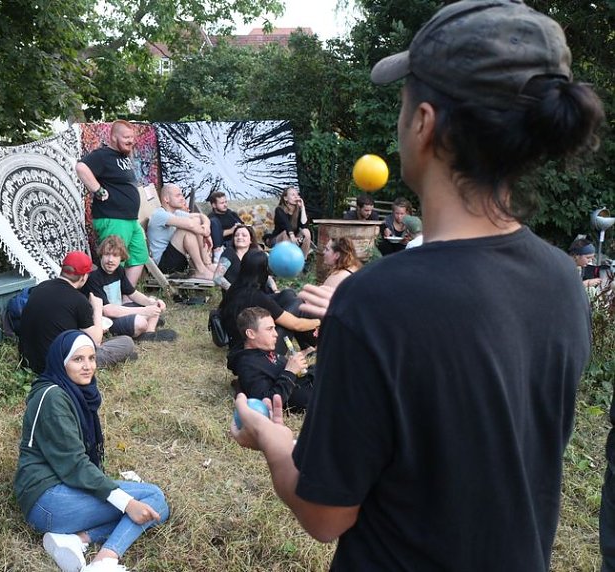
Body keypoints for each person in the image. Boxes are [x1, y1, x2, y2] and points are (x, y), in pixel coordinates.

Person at [231, 2, 604, 571]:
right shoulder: (563, 281)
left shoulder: (375, 299)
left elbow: (325, 515)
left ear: (425, 123)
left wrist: (270, 438)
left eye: (404, 102)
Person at [14, 330, 169, 572]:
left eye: (91, 358)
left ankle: (78, 539)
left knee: (152, 507)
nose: (88, 367)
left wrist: (122, 499)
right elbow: (75, 464)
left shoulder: (71, 391)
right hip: (47, 499)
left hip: (58, 494)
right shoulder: (52, 398)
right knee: (153, 500)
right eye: (78, 359)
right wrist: (126, 502)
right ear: (61, 360)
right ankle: (104, 560)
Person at [19, 251, 136, 373]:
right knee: (126, 342)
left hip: (28, 361)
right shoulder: (79, 299)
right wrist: (97, 308)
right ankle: (115, 357)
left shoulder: (40, 287)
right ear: (84, 276)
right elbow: (96, 340)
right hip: (60, 366)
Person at [76, 120, 147, 286]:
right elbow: (81, 167)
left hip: (129, 219)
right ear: (114, 137)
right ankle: (109, 299)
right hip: (113, 217)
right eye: (126, 137)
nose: (131, 141)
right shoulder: (103, 155)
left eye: (132, 137)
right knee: (113, 261)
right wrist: (98, 190)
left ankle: (126, 298)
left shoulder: (123, 157)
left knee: (138, 256)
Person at [219, 250, 320, 355]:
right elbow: (296, 325)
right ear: (263, 270)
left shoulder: (234, 288)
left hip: (236, 342)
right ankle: (313, 343)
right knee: (298, 304)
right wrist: (319, 322)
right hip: (257, 352)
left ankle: (307, 346)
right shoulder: (257, 297)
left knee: (288, 294)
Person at [82, 236, 178, 343]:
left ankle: (149, 333)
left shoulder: (119, 270)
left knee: (152, 301)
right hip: (105, 321)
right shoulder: (94, 277)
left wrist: (152, 303)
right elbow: (107, 310)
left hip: (119, 310)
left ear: (121, 257)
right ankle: (144, 326)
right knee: (140, 322)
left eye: (115, 255)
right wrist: (144, 311)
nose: (110, 260)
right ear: (101, 255)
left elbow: (132, 293)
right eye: (107, 255)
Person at [226, 307, 314, 412]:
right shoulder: (248, 365)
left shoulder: (263, 351)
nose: (276, 334)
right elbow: (267, 402)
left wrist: (296, 367)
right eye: (269, 329)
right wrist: (290, 372)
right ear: (251, 334)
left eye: (274, 328)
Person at [147, 183, 214, 280]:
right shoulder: (160, 214)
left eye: (182, 195)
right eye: (178, 195)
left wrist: (206, 227)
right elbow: (190, 225)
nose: (182, 198)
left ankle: (206, 265)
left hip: (176, 260)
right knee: (186, 230)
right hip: (164, 265)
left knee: (196, 223)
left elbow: (201, 216)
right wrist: (206, 234)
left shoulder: (176, 213)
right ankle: (201, 270)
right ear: (166, 199)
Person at [265, 187, 311, 258]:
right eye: (293, 195)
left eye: (297, 194)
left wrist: (303, 208)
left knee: (306, 232)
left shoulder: (298, 211)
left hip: (294, 239)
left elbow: (304, 226)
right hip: (278, 238)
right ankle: (287, 262)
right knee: (285, 234)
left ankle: (302, 260)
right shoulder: (279, 210)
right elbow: (286, 224)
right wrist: (292, 236)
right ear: (285, 198)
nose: (296, 196)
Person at [207, 191, 243, 258]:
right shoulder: (212, 218)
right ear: (214, 205)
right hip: (224, 245)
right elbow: (213, 235)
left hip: (239, 239)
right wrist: (231, 231)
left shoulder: (231, 213)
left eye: (226, 202)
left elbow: (242, 225)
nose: (225, 205)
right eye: (222, 203)